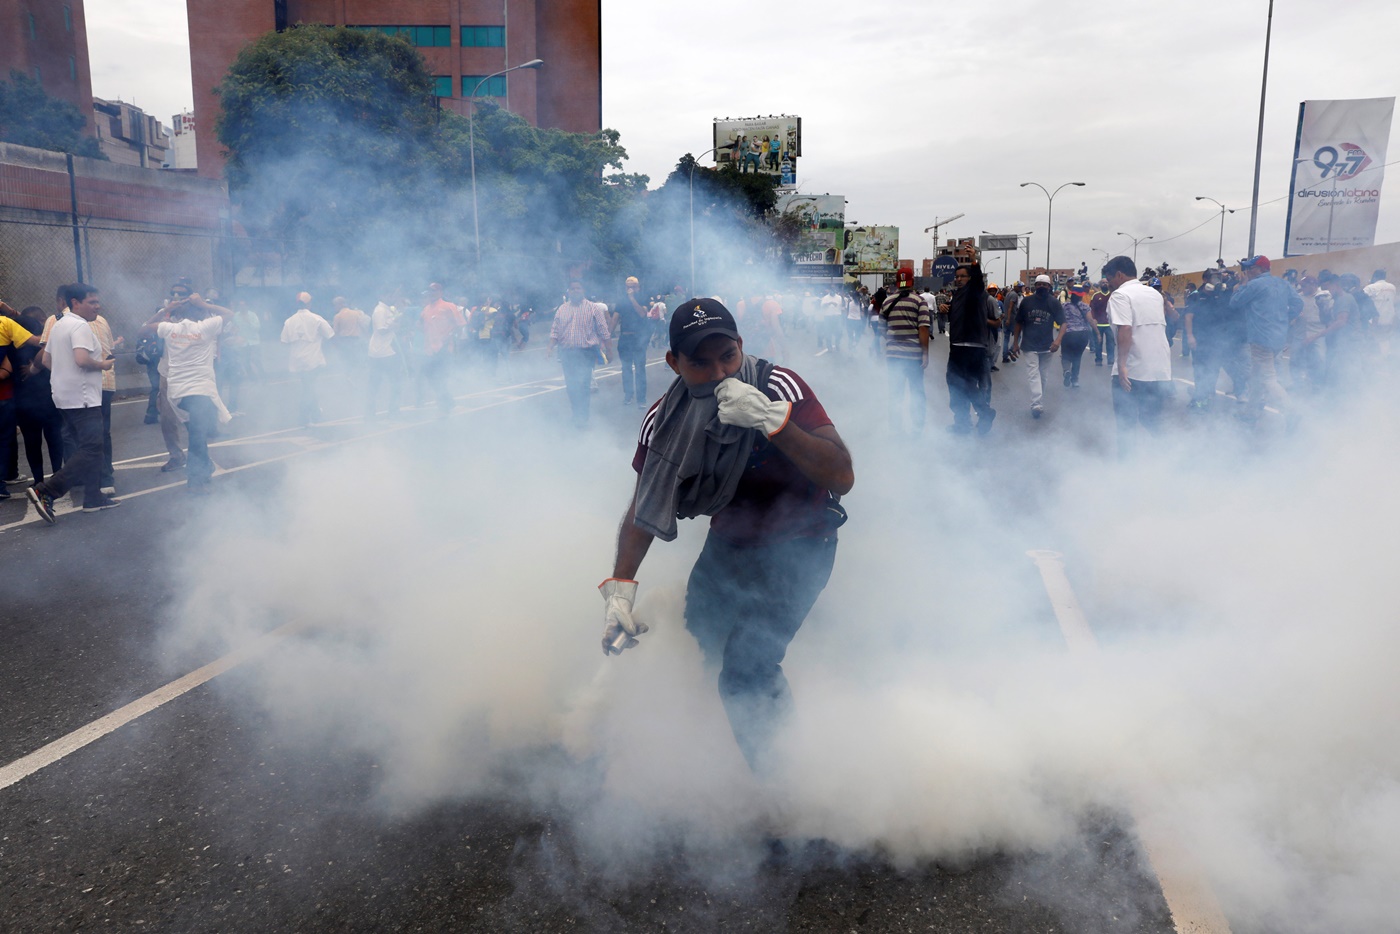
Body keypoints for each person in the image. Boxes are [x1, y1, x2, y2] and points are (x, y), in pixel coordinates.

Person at [600, 298, 854, 772]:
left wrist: (773, 422)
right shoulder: (664, 418)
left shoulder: (781, 385)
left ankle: (785, 787)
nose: (720, 374)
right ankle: (712, 751)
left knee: (746, 671)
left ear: (741, 347)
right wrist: (620, 591)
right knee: (698, 641)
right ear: (674, 362)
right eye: (700, 362)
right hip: (729, 544)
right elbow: (646, 503)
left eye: (728, 357)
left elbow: (841, 475)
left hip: (802, 542)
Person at [26, 284, 118, 521]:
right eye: (92, 302)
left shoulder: (58, 324)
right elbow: (81, 359)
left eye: (98, 301)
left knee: (88, 448)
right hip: (84, 397)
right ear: (75, 303)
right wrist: (103, 365)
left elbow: (46, 360)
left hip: (64, 396)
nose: (97, 306)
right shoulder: (80, 325)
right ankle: (45, 491)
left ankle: (93, 497)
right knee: (91, 448)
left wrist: (65, 374)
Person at [148, 291, 235, 492]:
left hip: (177, 392)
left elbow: (143, 330)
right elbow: (230, 313)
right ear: (201, 312)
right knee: (197, 434)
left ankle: (203, 468)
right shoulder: (205, 326)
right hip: (201, 390)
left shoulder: (171, 328)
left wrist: (165, 310)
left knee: (196, 431)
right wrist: (206, 304)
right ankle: (195, 479)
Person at [1103, 256, 1171, 458]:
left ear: (1119, 274)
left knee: (1126, 424)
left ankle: (1126, 468)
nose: (1110, 284)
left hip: (1133, 369)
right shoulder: (1154, 294)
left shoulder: (1120, 296)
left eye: (1110, 279)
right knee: (1152, 420)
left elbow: (1125, 328)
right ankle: (1172, 457)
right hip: (1159, 369)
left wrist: (1122, 365)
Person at [1229, 256, 1300, 424]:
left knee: (1268, 378)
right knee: (1257, 376)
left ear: (1258, 269)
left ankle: (1292, 413)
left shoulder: (1254, 284)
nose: (1246, 272)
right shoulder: (1283, 284)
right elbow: (1298, 303)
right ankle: (1251, 413)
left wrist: (1242, 285)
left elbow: (1234, 303)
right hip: (1278, 336)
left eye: (1249, 268)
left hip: (1260, 337)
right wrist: (1286, 319)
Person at [548, 280, 611, 429]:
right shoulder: (562, 309)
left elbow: (603, 330)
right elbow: (555, 330)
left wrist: (609, 349)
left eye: (578, 288)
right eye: (572, 288)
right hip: (567, 353)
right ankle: (576, 414)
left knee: (583, 385)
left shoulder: (592, 308)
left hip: (585, 353)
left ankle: (582, 417)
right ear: (568, 291)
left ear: (583, 291)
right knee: (571, 386)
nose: (575, 291)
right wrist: (549, 347)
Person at [1183, 268, 1247, 410]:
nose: (1217, 280)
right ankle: (1200, 399)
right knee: (1200, 369)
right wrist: (1190, 336)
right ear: (1205, 280)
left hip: (1218, 340)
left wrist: (1241, 276)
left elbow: (1238, 287)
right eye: (1214, 278)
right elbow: (1188, 317)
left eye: (1219, 277)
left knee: (1215, 368)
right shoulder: (1196, 296)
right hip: (1200, 339)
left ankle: (1210, 394)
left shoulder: (1221, 294)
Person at [12, 308, 62, 487]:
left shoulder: (14, 349)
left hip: (24, 403)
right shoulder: (45, 347)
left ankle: (38, 480)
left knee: (32, 442)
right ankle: (57, 473)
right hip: (48, 399)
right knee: (54, 437)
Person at [945, 263, 997, 435]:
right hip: (957, 346)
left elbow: (977, 281)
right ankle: (962, 422)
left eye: (963, 276)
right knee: (954, 384)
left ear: (970, 279)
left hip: (972, 347)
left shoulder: (975, 292)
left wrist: (974, 262)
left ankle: (984, 412)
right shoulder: (958, 295)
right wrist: (946, 309)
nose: (959, 279)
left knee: (966, 384)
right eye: (957, 276)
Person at [879, 269, 931, 434]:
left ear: (896, 283)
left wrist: (893, 340)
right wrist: (925, 353)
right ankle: (917, 429)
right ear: (912, 282)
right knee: (916, 392)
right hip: (913, 357)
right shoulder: (919, 301)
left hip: (893, 356)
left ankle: (896, 430)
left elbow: (881, 329)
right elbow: (923, 329)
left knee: (895, 394)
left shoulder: (887, 302)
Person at [0, 305, 41, 500]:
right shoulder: (4, 324)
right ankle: (2, 482)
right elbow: (36, 340)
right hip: (4, 395)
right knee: (4, 439)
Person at [1012, 275, 1065, 418]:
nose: (1041, 287)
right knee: (1033, 374)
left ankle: (1039, 401)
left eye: (1044, 284)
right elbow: (1018, 323)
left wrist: (1058, 341)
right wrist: (1015, 342)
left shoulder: (1054, 302)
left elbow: (1063, 323)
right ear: (1035, 286)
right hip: (1029, 345)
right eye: (1039, 284)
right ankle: (1036, 404)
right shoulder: (1026, 302)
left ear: (1049, 287)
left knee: (1043, 375)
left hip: (1047, 345)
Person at [280, 291, 334, 426]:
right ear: (309, 303)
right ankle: (304, 417)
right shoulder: (317, 319)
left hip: (297, 361)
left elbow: (284, 341)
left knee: (307, 386)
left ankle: (315, 413)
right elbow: (330, 335)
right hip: (313, 359)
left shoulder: (289, 321)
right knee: (308, 388)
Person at [419, 283, 464, 416]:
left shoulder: (449, 306)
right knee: (429, 374)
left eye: (433, 291)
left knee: (440, 376)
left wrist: (452, 340)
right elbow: (422, 325)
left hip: (444, 348)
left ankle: (444, 404)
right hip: (429, 349)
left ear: (440, 292)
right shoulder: (426, 309)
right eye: (429, 291)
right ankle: (447, 400)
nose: (431, 294)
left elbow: (460, 325)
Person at [612, 276, 652, 406]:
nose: (631, 289)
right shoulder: (621, 301)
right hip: (625, 337)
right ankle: (628, 395)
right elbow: (615, 318)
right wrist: (607, 335)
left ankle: (641, 399)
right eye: (628, 287)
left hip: (639, 338)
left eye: (633, 286)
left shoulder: (643, 298)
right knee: (626, 368)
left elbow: (642, 313)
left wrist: (632, 298)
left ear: (638, 287)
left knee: (640, 368)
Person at [365, 289, 403, 419]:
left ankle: (373, 413)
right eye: (390, 294)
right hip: (383, 352)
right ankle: (390, 412)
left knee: (377, 384)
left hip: (383, 351)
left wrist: (397, 317)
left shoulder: (388, 309)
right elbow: (381, 330)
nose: (393, 297)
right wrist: (394, 326)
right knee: (393, 383)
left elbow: (395, 318)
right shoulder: (380, 310)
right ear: (383, 295)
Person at [1288, 275, 1328, 389]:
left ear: (1314, 285)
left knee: (1319, 359)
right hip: (1300, 333)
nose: (1302, 288)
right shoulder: (1298, 297)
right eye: (1301, 285)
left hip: (1317, 333)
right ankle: (1296, 382)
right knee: (1295, 359)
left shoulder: (1323, 296)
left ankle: (1317, 384)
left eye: (1305, 285)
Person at [1059, 284, 1094, 388]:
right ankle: (1075, 380)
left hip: (1068, 334)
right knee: (1077, 357)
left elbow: (1060, 319)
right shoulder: (1085, 306)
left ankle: (1066, 371)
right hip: (1082, 335)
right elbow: (1090, 320)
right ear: (1081, 295)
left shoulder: (1064, 306)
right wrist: (1096, 333)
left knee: (1065, 355)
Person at [1363, 269, 1395, 356]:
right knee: (1385, 341)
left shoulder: (1370, 288)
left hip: (1375, 321)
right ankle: (1385, 360)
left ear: (1375, 277)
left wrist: (1369, 285)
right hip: (1388, 320)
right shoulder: (1392, 287)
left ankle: (1376, 362)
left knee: (1372, 342)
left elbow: (1362, 297)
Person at [1090, 279, 1114, 367]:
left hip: (1110, 325)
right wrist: (1093, 319)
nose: (1105, 284)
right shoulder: (1096, 296)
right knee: (1098, 343)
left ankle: (1111, 360)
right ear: (1100, 284)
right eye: (1103, 282)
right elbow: (1092, 309)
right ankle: (1098, 360)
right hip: (1098, 324)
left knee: (1111, 344)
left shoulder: (1113, 295)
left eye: (1106, 282)